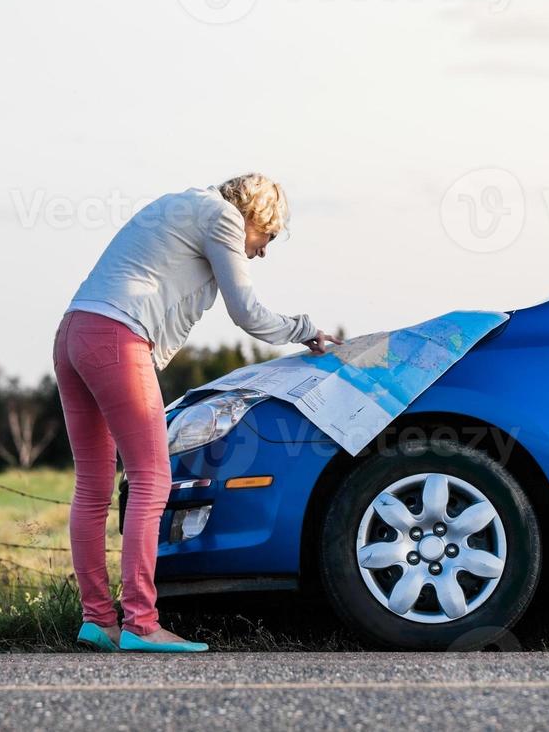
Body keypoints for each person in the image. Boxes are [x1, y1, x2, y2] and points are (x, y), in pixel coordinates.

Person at [54, 173, 339, 653]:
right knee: (151, 479)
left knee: (93, 487)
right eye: (268, 236)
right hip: (117, 338)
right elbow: (247, 313)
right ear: (256, 216)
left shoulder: (180, 204)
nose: (263, 250)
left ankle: (97, 620)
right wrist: (304, 327)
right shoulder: (224, 218)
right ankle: (141, 623)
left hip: (73, 332)